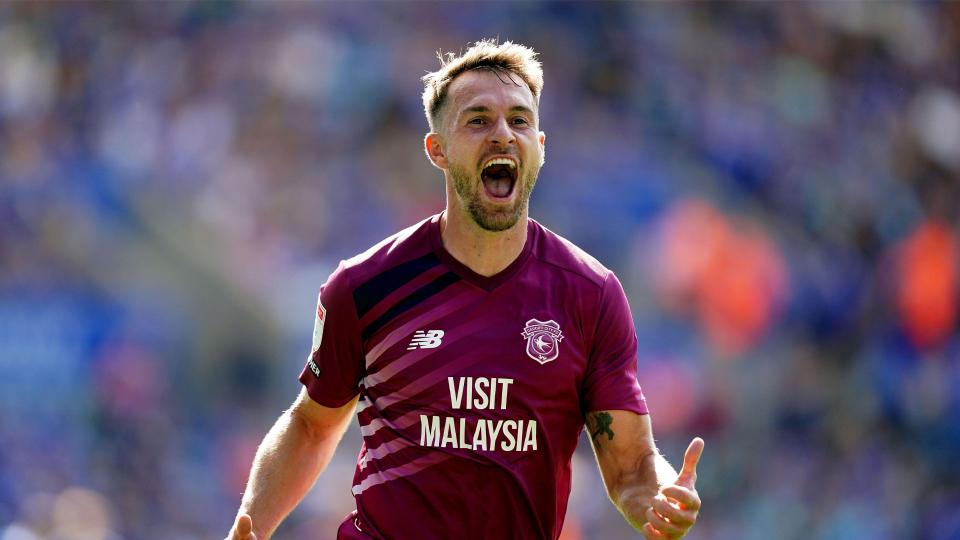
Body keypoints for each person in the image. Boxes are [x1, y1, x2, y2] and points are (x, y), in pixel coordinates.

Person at [226, 39, 704, 540]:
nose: (502, 134)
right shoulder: (365, 286)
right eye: (478, 120)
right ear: (438, 150)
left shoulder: (590, 294)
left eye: (519, 120)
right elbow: (310, 427)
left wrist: (661, 498)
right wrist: (250, 527)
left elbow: (630, 469)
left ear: (540, 147)